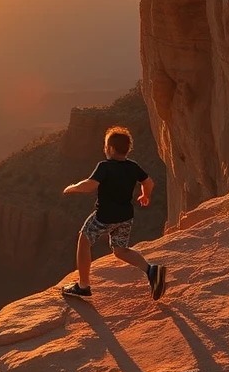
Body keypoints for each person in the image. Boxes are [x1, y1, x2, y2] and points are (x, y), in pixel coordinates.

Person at [60, 125, 166, 301]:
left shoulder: (105, 166)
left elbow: (90, 185)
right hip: (125, 217)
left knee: (84, 240)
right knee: (121, 250)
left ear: (109, 148)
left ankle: (83, 286)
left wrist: (72, 188)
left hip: (104, 216)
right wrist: (145, 195)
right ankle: (151, 270)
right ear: (127, 149)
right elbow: (149, 183)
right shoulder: (133, 166)